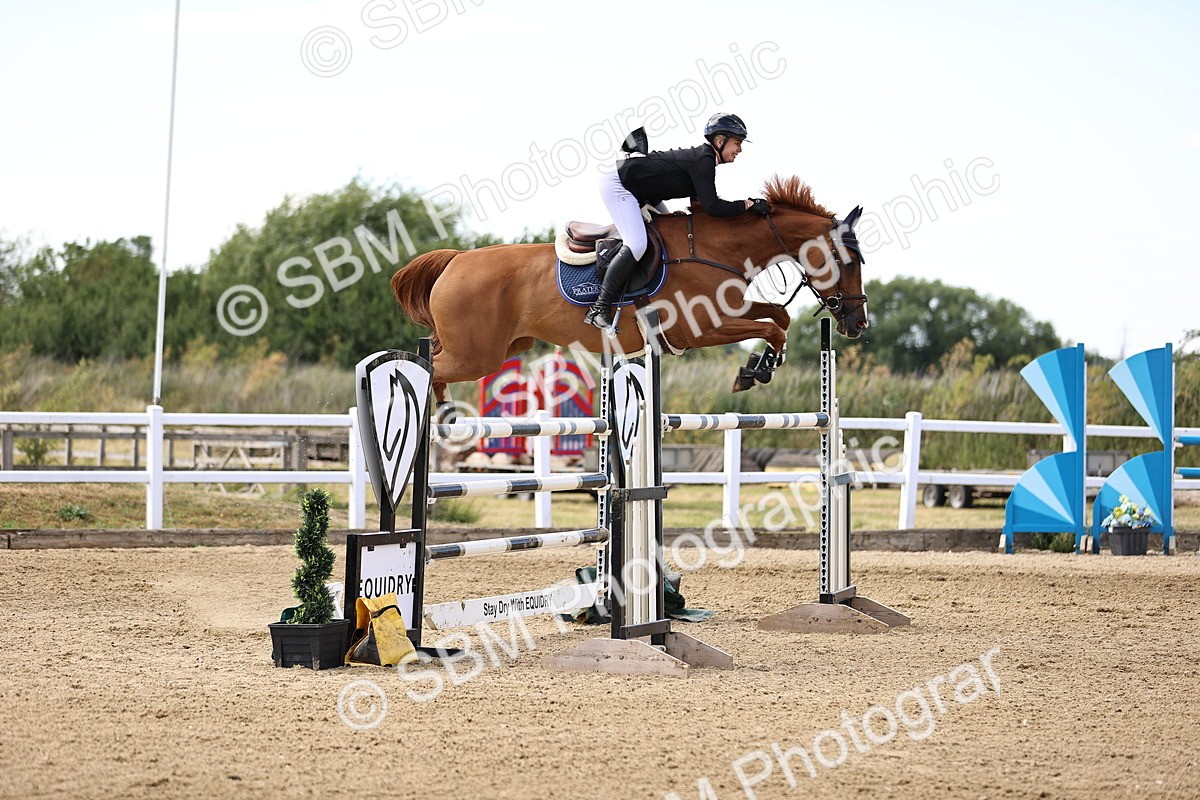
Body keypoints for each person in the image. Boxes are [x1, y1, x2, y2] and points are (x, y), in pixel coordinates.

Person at [585, 112, 770, 330]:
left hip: (642, 192)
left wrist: (746, 213)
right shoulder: (704, 160)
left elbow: (701, 210)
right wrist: (747, 205)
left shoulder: (705, 162)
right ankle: (599, 307)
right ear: (720, 141)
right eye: (737, 143)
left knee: (667, 237)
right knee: (637, 244)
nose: (740, 149)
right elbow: (713, 208)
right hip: (619, 184)